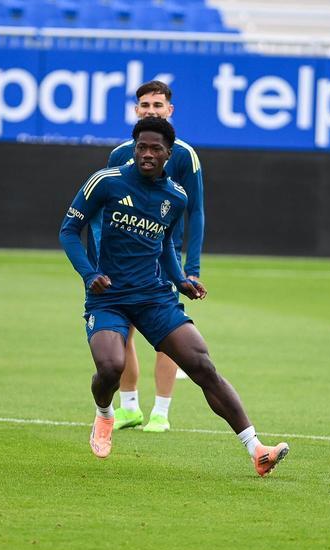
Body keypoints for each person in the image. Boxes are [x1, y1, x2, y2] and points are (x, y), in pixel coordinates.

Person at [59, 117, 288, 476]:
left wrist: (180, 279)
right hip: (109, 297)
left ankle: (257, 449)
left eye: (155, 149)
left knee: (202, 365)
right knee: (110, 367)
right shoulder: (106, 181)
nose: (147, 154)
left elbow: (165, 243)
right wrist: (89, 274)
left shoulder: (176, 196)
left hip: (154, 297)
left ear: (169, 153)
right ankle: (104, 413)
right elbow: (69, 230)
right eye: (141, 147)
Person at [106, 81, 206, 433]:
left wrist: (191, 268)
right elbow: (103, 211)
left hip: (165, 259)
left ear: (169, 110)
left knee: (166, 335)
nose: (151, 110)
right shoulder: (120, 155)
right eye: (145, 105)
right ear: (136, 110)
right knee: (122, 331)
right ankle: (129, 407)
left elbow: (196, 212)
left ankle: (161, 412)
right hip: (123, 260)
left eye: (158, 105)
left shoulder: (184, 155)